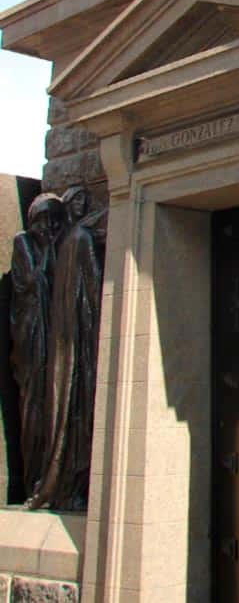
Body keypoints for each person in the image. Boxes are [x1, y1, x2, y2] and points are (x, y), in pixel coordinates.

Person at [27, 186, 106, 510]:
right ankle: (66, 484)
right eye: (75, 203)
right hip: (75, 340)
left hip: (76, 340)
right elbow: (96, 289)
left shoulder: (73, 240)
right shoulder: (77, 240)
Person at [9, 193, 64, 498]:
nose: (49, 226)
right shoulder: (24, 243)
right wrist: (50, 248)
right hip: (30, 334)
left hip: (49, 332)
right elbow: (33, 279)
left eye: (55, 220)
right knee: (32, 404)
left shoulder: (53, 246)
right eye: (44, 220)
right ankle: (33, 477)